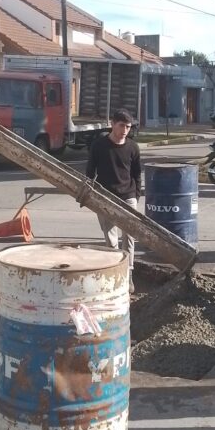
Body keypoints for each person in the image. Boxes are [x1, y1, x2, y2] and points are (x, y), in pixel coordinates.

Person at [86, 109, 142, 293]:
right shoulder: (99, 145)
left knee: (130, 236)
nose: (125, 130)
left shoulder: (133, 147)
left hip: (128, 197)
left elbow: (136, 173)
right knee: (111, 238)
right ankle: (115, 273)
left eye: (128, 127)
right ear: (112, 124)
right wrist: (92, 195)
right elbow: (90, 172)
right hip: (105, 196)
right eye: (122, 126)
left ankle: (129, 275)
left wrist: (136, 194)